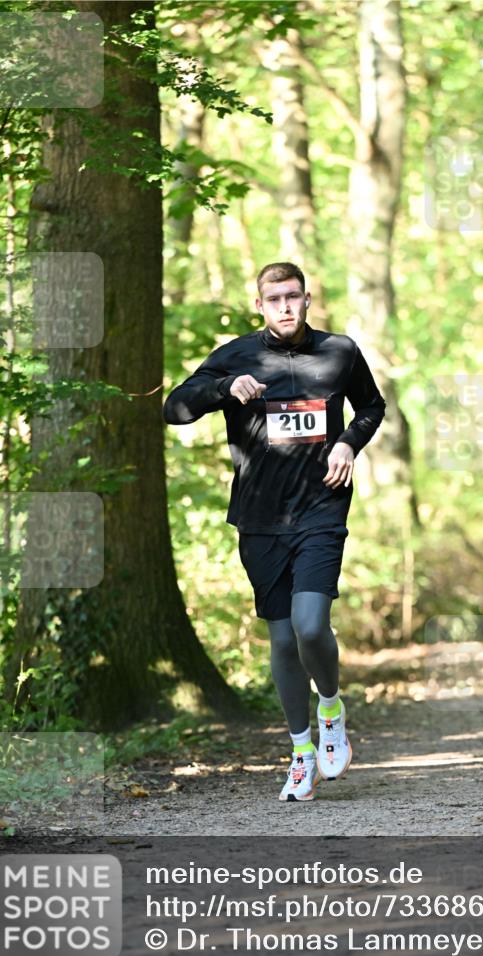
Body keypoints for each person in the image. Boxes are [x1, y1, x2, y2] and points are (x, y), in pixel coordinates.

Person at [163, 262, 385, 799]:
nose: (285, 306)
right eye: (274, 299)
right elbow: (174, 409)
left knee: (310, 625)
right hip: (259, 518)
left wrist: (347, 443)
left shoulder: (339, 352)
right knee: (283, 640)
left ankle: (330, 709)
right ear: (259, 305)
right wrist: (224, 388)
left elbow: (371, 407)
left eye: (293, 296)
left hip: (321, 509)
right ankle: (301, 752)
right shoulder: (237, 356)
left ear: (307, 299)